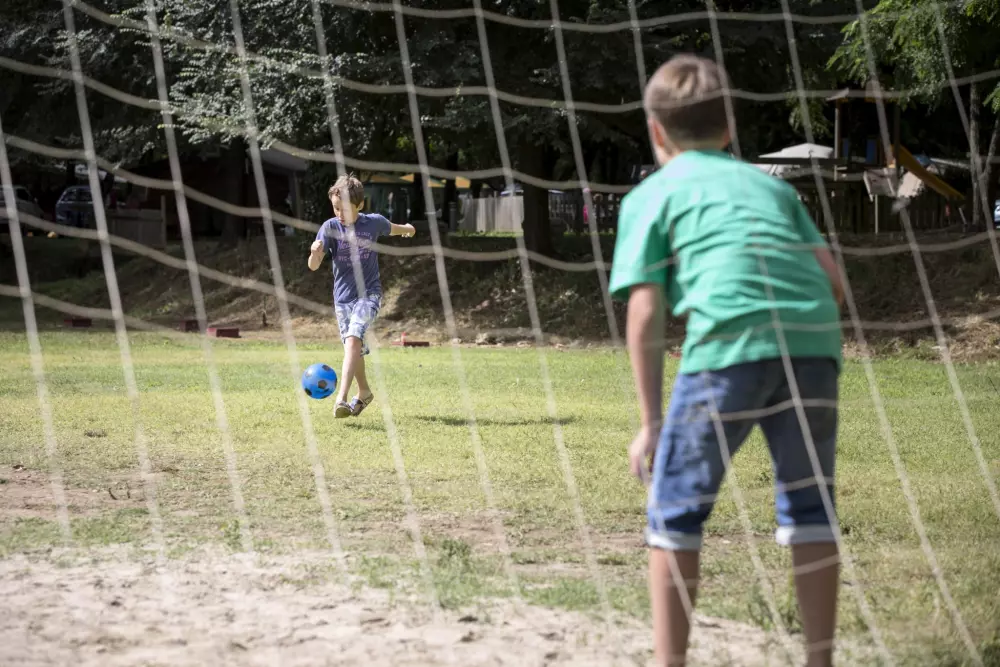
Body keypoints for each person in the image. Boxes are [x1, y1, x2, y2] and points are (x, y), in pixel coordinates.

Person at [608, 54, 846, 667]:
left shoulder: (653, 195)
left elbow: (645, 312)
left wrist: (650, 420)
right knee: (810, 507)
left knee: (674, 509)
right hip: (814, 347)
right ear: (729, 128)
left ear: (656, 131)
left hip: (728, 351)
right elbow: (835, 283)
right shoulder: (772, 188)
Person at [308, 174, 415, 418]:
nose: (340, 214)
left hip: (369, 294)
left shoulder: (373, 223)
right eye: (336, 208)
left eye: (345, 209)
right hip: (342, 299)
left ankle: (341, 399)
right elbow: (314, 266)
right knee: (353, 348)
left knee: (354, 338)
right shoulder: (330, 228)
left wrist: (408, 230)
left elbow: (395, 229)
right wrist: (314, 253)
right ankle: (364, 391)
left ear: (360, 205)